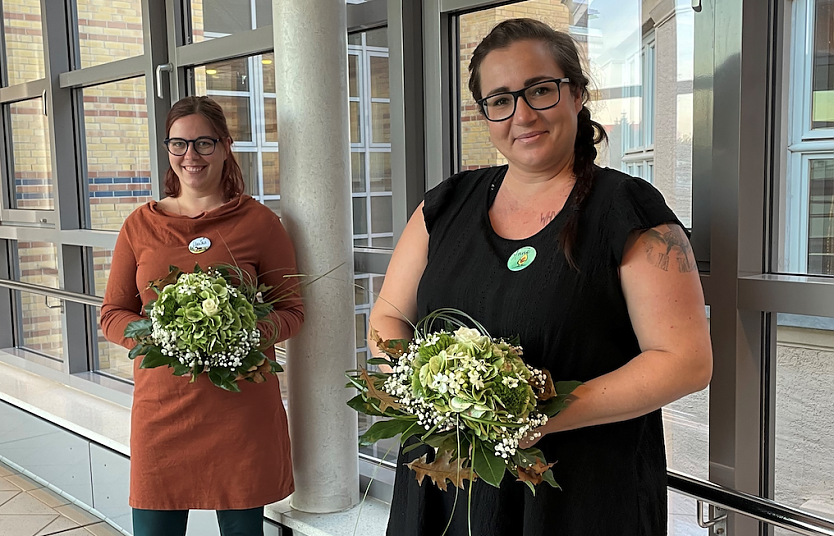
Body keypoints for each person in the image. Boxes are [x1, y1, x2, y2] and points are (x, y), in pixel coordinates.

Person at [369, 18, 712, 536]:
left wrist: (532, 418)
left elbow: (684, 362)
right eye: (500, 100)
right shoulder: (444, 205)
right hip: (448, 476)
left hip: (579, 491)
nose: (522, 114)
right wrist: (426, 394)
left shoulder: (629, 210)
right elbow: (390, 315)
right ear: (484, 113)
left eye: (540, 90)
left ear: (576, 94)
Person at [101, 96, 304, 536]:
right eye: (178, 144)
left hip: (240, 413)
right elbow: (112, 314)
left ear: (226, 146)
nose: (190, 156)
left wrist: (244, 333)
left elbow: (292, 311)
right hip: (162, 412)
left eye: (203, 143)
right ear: (167, 150)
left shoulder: (259, 223)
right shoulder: (140, 225)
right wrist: (160, 336)